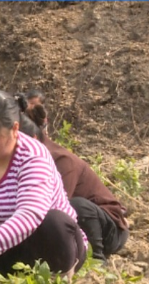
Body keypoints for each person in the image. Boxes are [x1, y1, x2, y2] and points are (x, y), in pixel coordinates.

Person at [0, 90, 87, 280]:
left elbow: (29, 215)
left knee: (54, 222)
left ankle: (53, 282)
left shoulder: (33, 157)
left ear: (15, 129)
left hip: (43, 248)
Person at [23, 103, 129, 262]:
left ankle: (97, 258)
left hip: (109, 231)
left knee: (76, 205)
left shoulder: (61, 160)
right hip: (77, 227)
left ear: (32, 139)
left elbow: (55, 206)